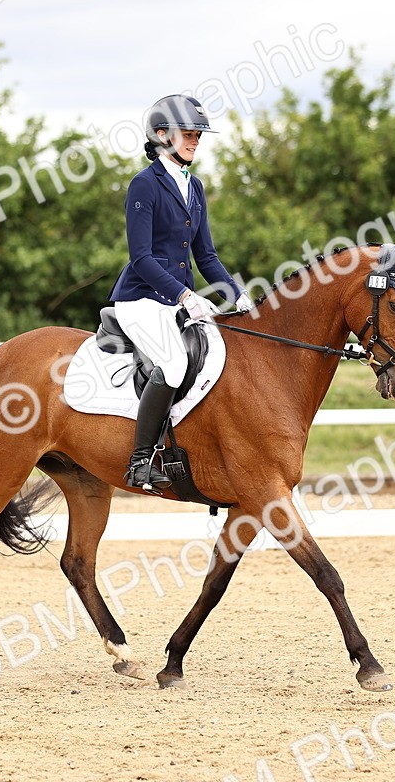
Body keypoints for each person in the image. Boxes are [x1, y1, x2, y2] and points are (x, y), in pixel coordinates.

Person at [107, 94, 254, 492]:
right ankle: (139, 463)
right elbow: (141, 257)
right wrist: (184, 296)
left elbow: (206, 255)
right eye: (188, 134)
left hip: (173, 300)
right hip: (141, 298)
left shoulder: (196, 187)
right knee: (172, 365)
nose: (195, 140)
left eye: (197, 135)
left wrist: (237, 294)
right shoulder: (144, 184)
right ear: (161, 136)